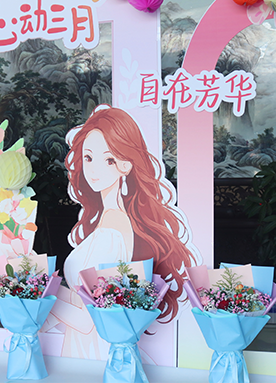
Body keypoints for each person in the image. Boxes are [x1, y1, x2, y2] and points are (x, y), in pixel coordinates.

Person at [45, 105, 200, 360]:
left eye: (108, 160)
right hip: (84, 344)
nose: (94, 169)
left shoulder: (114, 225)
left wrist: (43, 293)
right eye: (88, 158)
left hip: (96, 346)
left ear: (126, 164)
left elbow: (89, 317)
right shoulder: (106, 219)